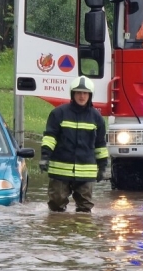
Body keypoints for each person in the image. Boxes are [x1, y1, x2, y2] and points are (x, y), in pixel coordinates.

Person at [39, 76, 109, 213]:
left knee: (85, 209)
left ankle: (82, 234)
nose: (82, 96)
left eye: (85, 93)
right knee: (56, 207)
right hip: (60, 170)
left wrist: (102, 167)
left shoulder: (96, 118)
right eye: (78, 92)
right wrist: (45, 157)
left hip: (86, 171)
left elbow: (100, 145)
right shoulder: (58, 113)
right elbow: (50, 137)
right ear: (73, 94)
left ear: (90, 95)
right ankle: (58, 231)